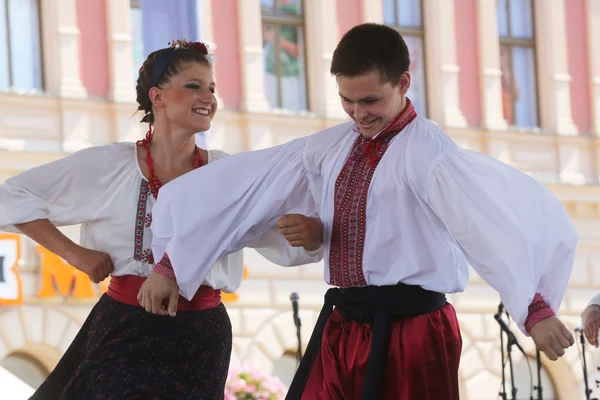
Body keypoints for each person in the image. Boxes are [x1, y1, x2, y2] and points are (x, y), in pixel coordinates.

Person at [144, 25, 578, 399]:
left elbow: (487, 229)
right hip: (345, 324)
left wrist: (533, 309)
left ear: (404, 83)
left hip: (415, 332)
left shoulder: (430, 155)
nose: (358, 113)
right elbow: (250, 185)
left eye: (370, 100)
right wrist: (172, 261)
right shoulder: (331, 146)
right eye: (347, 101)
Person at [0, 40, 324, 399]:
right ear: (158, 97)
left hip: (200, 337)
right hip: (125, 326)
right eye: (193, 86)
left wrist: (310, 232)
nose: (209, 97)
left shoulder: (226, 172)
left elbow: (278, 235)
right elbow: (12, 195)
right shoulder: (110, 166)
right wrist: (74, 253)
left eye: (212, 88)